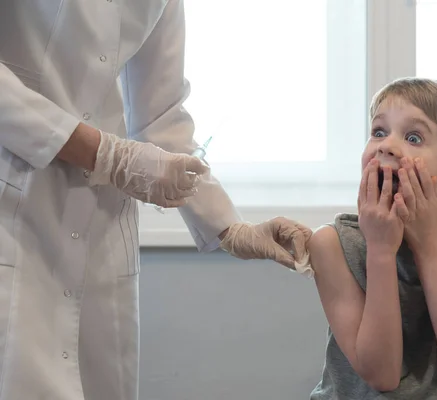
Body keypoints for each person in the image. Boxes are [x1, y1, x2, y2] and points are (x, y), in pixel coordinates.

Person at [0, 2, 311, 400]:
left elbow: (161, 117)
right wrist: (105, 155)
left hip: (100, 227)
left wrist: (230, 228)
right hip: (15, 198)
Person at [307, 77, 437, 399]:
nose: (385, 145)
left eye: (413, 137)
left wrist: (428, 242)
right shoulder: (331, 243)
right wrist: (380, 250)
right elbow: (382, 376)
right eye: (378, 132)